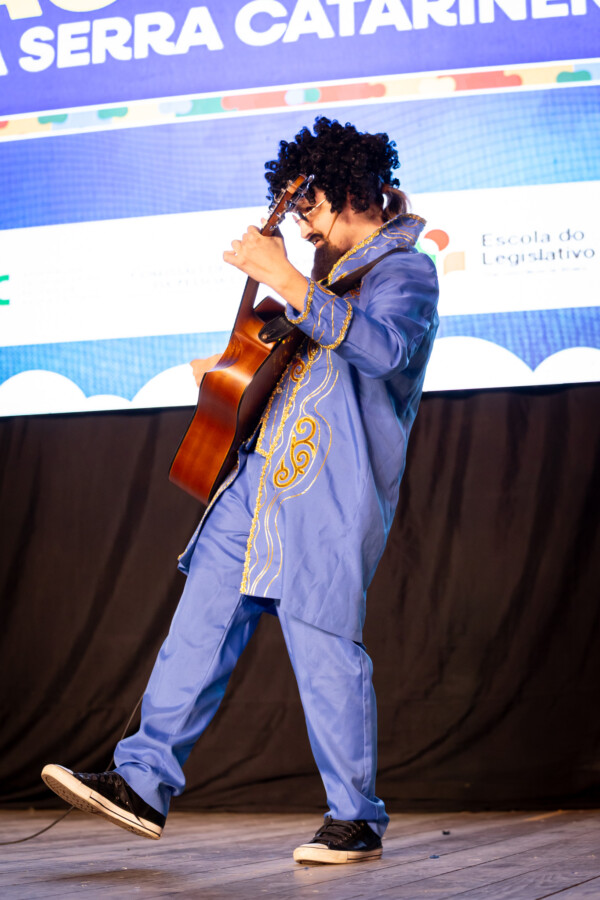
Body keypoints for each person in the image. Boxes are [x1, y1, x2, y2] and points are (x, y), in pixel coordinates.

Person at [41, 116, 439, 865]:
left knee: (325, 650)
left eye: (309, 206)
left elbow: (384, 350)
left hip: (327, 495)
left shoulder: (405, 272)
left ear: (348, 191)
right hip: (253, 483)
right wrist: (231, 370)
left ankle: (355, 819)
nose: (305, 226)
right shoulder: (324, 277)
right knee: (197, 631)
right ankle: (142, 782)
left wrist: (286, 278)